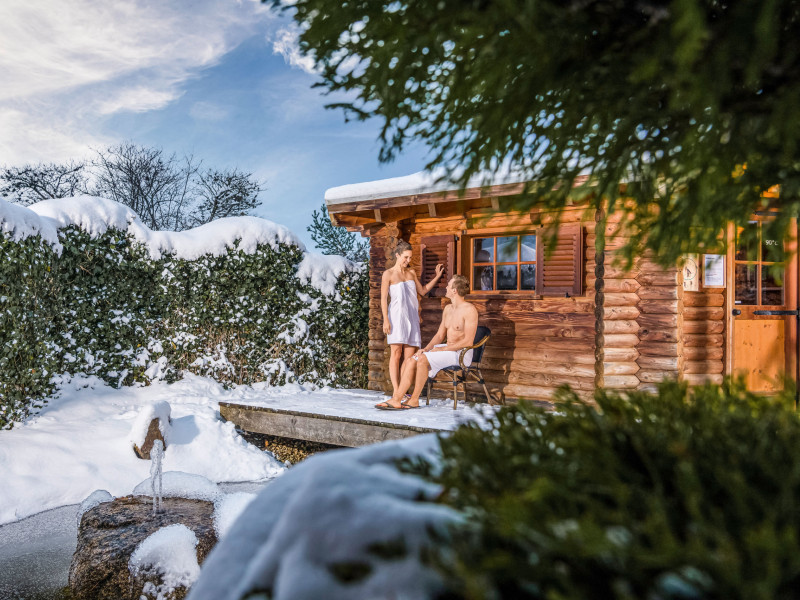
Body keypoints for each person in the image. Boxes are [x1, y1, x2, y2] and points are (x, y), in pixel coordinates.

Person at [376, 274, 478, 410]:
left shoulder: (470, 310)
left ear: (455, 291)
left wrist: (441, 350)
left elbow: (468, 341)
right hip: (448, 349)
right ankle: (397, 398)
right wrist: (426, 349)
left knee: (422, 360)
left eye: (449, 285)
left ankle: (414, 400)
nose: (446, 287)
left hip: (461, 354)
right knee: (413, 359)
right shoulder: (448, 309)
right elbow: (440, 335)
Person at [381, 239, 444, 396]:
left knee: (409, 358)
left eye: (410, 258)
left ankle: (402, 391)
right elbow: (382, 299)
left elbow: (422, 291)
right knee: (396, 354)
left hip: (412, 318)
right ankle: (396, 391)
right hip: (395, 317)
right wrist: (385, 320)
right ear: (397, 255)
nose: (408, 261)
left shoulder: (411, 273)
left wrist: (437, 277)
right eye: (405, 257)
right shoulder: (388, 274)